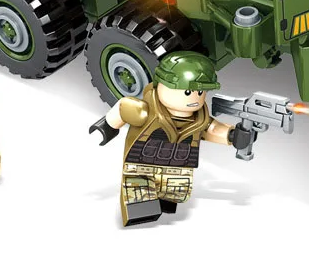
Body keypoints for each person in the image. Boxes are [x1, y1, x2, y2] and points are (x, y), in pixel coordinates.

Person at [90, 51, 255, 226]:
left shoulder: (199, 119)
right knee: (140, 202)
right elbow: (122, 108)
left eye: (200, 92)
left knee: (171, 197)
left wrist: (233, 136)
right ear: (162, 85)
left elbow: (212, 130)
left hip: (179, 168)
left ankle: (163, 204)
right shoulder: (145, 111)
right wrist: (106, 127)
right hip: (142, 165)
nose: (195, 97)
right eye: (188, 91)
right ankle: (142, 213)